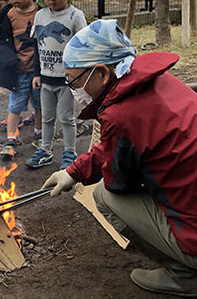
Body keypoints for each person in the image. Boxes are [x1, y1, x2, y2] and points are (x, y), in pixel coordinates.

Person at [42, 19, 197, 297]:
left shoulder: (121, 114)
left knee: (105, 196)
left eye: (74, 80)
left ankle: (184, 274)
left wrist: (95, 173)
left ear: (101, 72)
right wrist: (73, 172)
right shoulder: (156, 80)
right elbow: (123, 144)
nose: (73, 89)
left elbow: (119, 181)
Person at [25, 0, 87, 170]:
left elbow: (83, 46)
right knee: (47, 118)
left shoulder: (75, 16)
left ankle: (70, 152)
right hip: (45, 78)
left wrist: (80, 76)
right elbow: (36, 45)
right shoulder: (40, 15)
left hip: (67, 80)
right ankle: (46, 150)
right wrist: (36, 74)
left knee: (67, 118)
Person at [0, 0, 42, 159]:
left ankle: (39, 133)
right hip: (17, 70)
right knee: (15, 106)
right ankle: (11, 138)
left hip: (37, 71)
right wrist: (7, 58)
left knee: (39, 104)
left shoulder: (41, 13)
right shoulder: (7, 15)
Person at [0, 0, 36, 131]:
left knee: (32, 92)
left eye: (0, 5)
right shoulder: (6, 17)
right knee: (21, 91)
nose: (0, 10)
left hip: (31, 65)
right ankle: (18, 121)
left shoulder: (25, 13)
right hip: (16, 65)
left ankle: (30, 116)